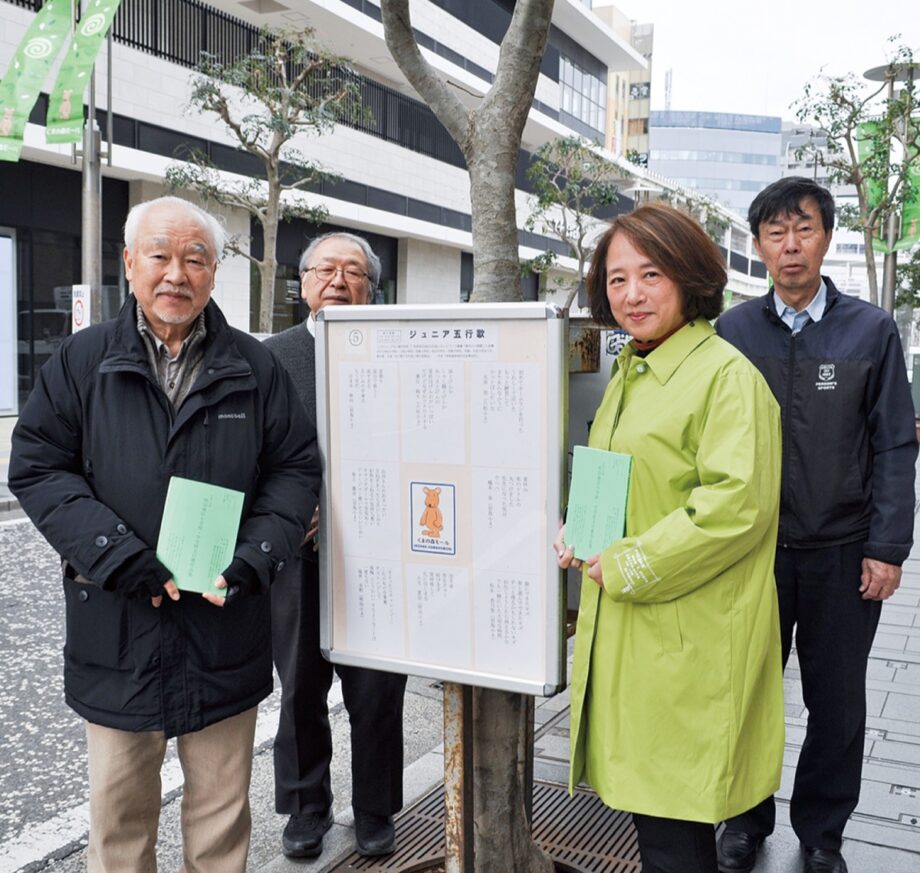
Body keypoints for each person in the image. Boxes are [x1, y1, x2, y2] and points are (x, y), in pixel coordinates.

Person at [9, 196, 320, 873]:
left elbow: (295, 469)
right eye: (160, 255)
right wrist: (116, 554)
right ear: (130, 263)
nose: (176, 273)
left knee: (219, 822)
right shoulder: (83, 360)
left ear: (214, 272)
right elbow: (36, 465)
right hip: (118, 626)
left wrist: (254, 557)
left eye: (195, 258)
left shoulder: (254, 366)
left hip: (223, 622)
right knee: (118, 826)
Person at [556, 203, 785, 873]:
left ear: (689, 276)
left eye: (650, 274)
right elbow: (630, 479)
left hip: (685, 645)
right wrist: (587, 530)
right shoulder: (632, 367)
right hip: (636, 637)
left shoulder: (725, 376)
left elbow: (732, 508)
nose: (631, 294)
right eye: (618, 278)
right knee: (656, 828)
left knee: (676, 838)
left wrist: (623, 559)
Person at [715, 177, 918, 873]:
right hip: (750, 552)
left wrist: (888, 546)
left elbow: (895, 442)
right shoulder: (732, 331)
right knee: (744, 689)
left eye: (803, 229)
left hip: (842, 551)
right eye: (776, 232)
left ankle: (823, 830)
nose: (790, 245)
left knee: (837, 703)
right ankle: (743, 817)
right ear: (758, 244)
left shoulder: (871, 330)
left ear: (827, 236)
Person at [265, 231, 407, 859]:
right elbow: (249, 455)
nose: (338, 281)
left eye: (354, 272)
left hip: (379, 555)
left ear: (372, 288)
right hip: (295, 554)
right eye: (325, 270)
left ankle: (375, 809)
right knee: (298, 688)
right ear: (302, 285)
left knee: (377, 689)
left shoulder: (400, 353)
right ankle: (306, 807)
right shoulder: (270, 357)